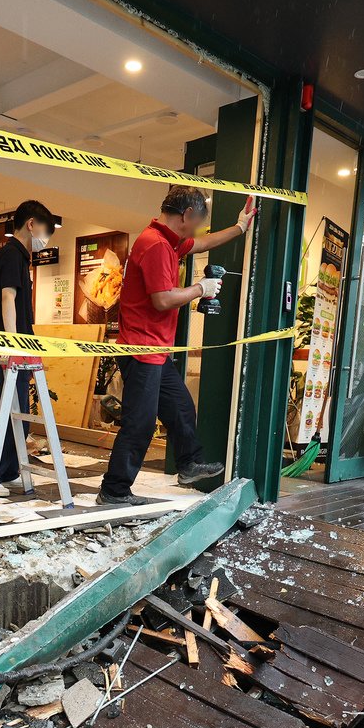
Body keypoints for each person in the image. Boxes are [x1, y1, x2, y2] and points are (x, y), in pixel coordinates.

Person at [97, 185, 255, 506]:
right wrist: (200, 288)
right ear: (186, 215)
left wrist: (240, 227)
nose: (198, 229)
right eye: (197, 221)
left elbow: (204, 242)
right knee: (139, 425)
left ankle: (188, 465)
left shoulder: (169, 242)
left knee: (181, 408)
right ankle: (114, 491)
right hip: (142, 350)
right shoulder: (155, 245)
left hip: (156, 351)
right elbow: (163, 300)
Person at [0, 199, 55, 492]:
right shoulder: (11, 254)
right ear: (31, 224)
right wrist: (12, 345)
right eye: (45, 232)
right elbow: (8, 298)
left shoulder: (20, 257)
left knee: (18, 417)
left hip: (20, 347)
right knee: (10, 415)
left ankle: (6, 471)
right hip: (11, 348)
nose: (44, 240)